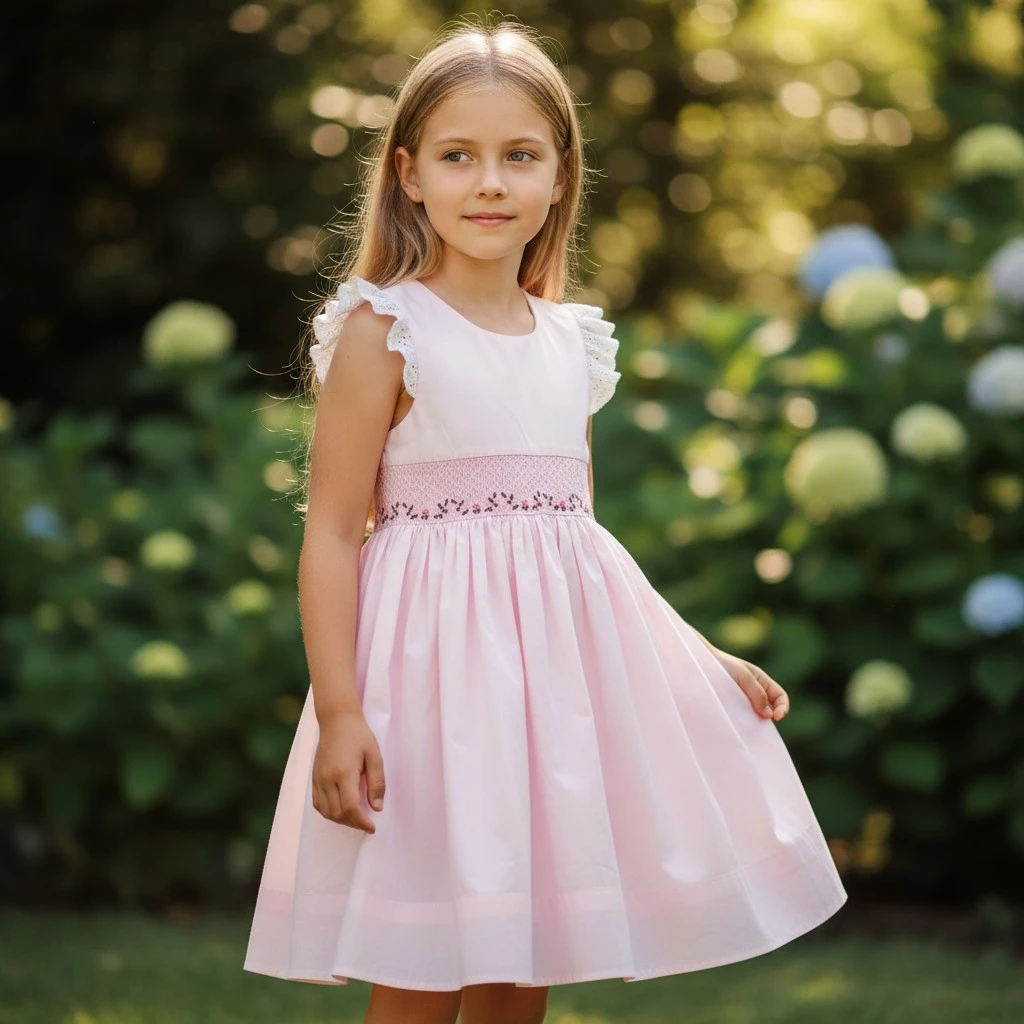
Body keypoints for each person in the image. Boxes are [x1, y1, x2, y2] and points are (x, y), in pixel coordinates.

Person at [243, 17, 848, 1024]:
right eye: (458, 156)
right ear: (408, 174)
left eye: (518, 156)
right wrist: (342, 710)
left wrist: (701, 659)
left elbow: (580, 545)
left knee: (524, 959)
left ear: (560, 176)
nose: (489, 183)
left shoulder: (570, 342)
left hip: (547, 704)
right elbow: (330, 533)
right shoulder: (384, 332)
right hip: (426, 694)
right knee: (424, 963)